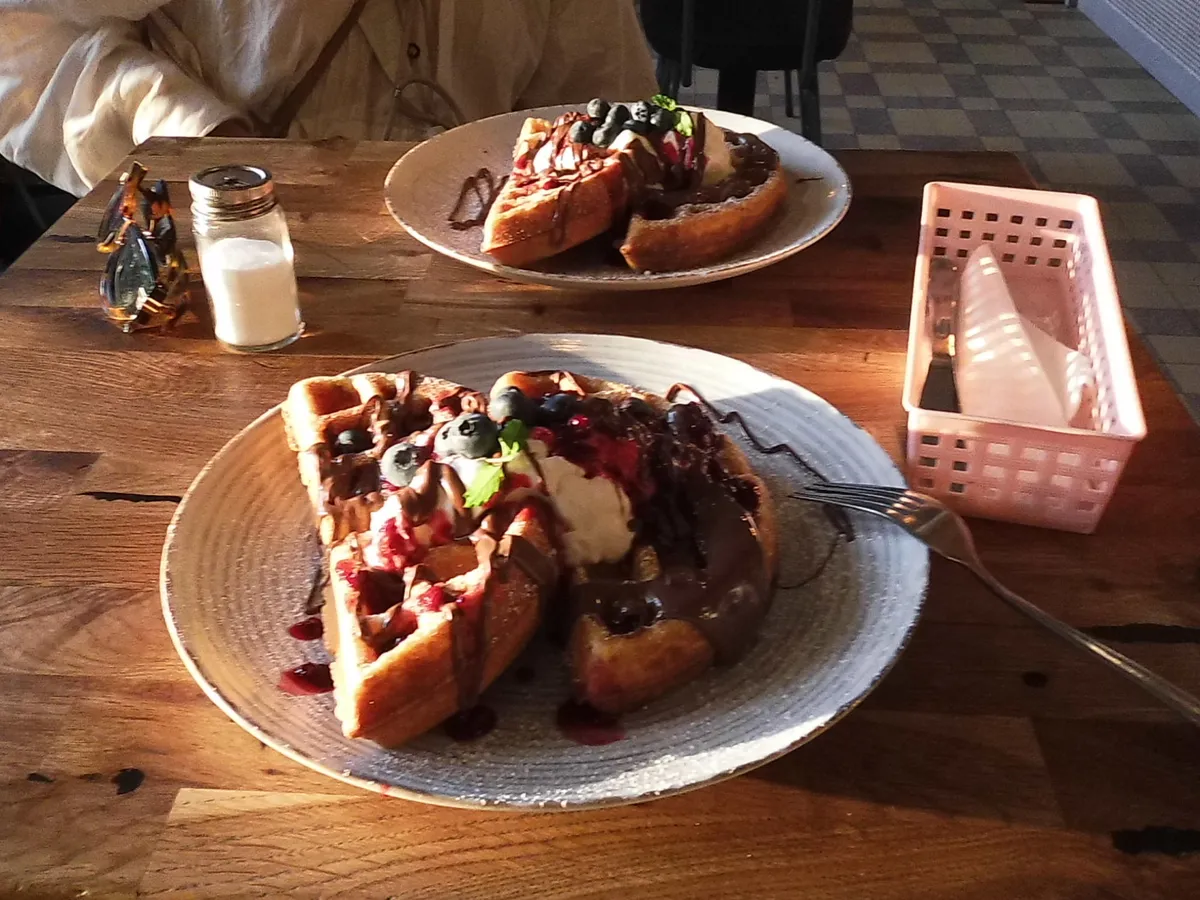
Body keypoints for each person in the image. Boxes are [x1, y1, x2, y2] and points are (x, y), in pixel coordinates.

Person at [0, 0, 658, 197]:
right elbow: (21, 37)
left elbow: (601, 101)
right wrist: (186, 129)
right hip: (238, 253)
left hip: (489, 279)